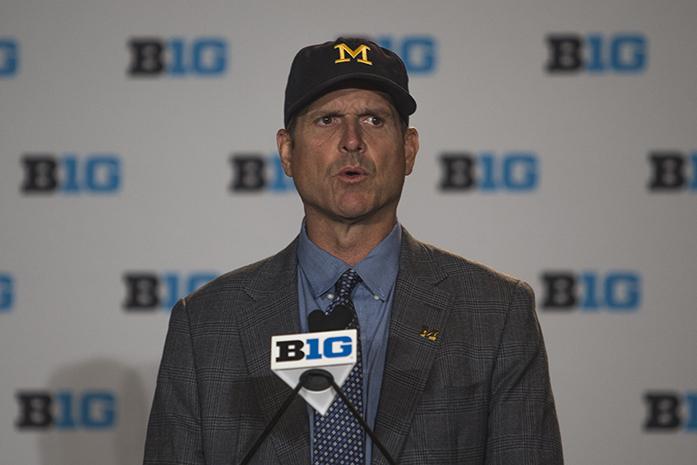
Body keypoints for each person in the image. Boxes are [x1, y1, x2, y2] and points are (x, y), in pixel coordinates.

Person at [143, 37, 563, 465]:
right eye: (326, 120)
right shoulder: (206, 324)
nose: (351, 141)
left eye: (373, 120)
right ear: (287, 151)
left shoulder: (495, 312)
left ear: (409, 149)